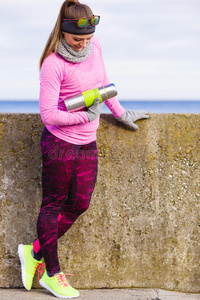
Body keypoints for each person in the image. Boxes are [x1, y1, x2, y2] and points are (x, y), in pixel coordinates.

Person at [18, 0, 149, 298]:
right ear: (63, 32)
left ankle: (33, 250)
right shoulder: (53, 64)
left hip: (87, 142)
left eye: (87, 39)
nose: (82, 45)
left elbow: (103, 84)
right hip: (59, 144)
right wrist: (86, 115)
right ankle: (52, 273)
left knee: (79, 204)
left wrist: (119, 113)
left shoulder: (95, 46)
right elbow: (49, 114)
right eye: (77, 40)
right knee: (53, 205)